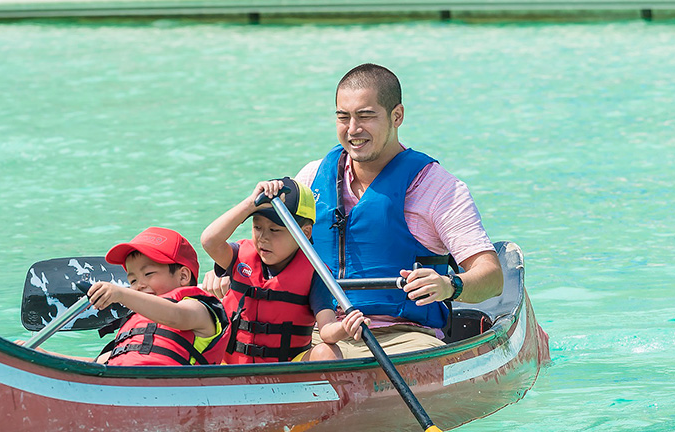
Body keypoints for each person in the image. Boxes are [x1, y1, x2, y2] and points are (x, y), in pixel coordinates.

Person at [202, 63, 503, 360]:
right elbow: (270, 248)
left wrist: (450, 285)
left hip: (401, 338)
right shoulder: (311, 177)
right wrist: (223, 272)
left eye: (366, 116)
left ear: (397, 116)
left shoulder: (438, 189)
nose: (353, 129)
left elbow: (491, 278)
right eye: (343, 117)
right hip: (315, 332)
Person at [200, 176, 364, 363]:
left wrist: (344, 327)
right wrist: (250, 204)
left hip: (286, 368)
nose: (263, 237)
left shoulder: (315, 273)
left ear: (305, 233)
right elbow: (209, 241)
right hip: (230, 364)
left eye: (274, 230)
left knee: (328, 352)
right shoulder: (238, 255)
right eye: (257, 227)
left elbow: (326, 330)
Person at [88, 227, 229, 366]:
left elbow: (176, 315)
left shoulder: (198, 309)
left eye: (148, 274)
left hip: (169, 379)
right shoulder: (136, 331)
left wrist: (121, 294)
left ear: (183, 276)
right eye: (133, 281)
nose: (139, 285)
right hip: (121, 376)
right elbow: (95, 365)